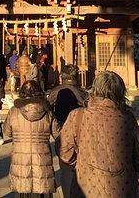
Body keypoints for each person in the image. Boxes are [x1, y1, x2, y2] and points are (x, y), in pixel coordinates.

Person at [57, 71, 139, 197]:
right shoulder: (128, 118)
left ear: (94, 89)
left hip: (86, 186)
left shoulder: (77, 116)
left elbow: (65, 152)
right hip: (122, 187)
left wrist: (81, 164)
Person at [3, 80, 61, 197]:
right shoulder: (47, 112)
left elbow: (7, 132)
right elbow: (58, 135)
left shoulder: (14, 111)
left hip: (21, 162)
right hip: (42, 162)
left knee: (23, 191)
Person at [47, 64, 89, 198]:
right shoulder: (83, 94)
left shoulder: (55, 92)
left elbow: (48, 109)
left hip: (63, 133)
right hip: (81, 133)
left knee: (65, 170)